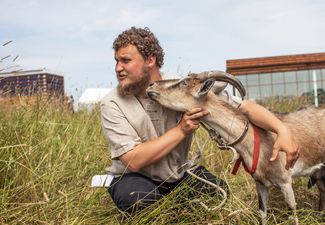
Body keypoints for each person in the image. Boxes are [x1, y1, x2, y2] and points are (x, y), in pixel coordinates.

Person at [100, 27, 300, 214]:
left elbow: (244, 107)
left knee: (217, 192)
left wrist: (282, 130)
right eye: (116, 61)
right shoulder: (112, 103)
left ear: (150, 60)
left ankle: (174, 210)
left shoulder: (183, 88)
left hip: (177, 175)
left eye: (125, 60)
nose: (118, 68)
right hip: (134, 178)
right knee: (138, 199)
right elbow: (133, 161)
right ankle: (157, 211)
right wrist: (181, 130)